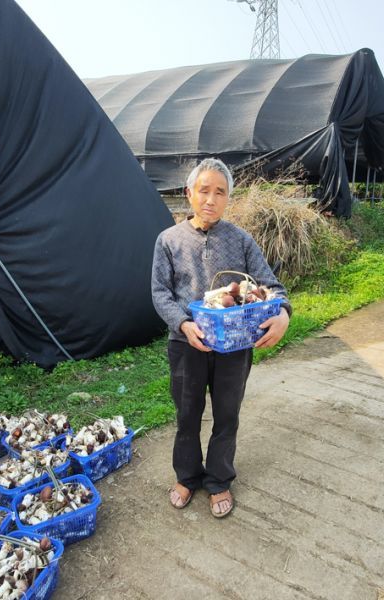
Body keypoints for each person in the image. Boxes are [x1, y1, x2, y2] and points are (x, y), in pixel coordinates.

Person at [151, 158, 291, 518]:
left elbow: (271, 285)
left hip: (235, 344)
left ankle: (218, 480)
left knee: (227, 415)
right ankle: (187, 475)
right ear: (189, 194)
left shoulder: (240, 240)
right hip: (187, 345)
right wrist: (183, 324)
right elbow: (160, 293)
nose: (211, 199)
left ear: (228, 198)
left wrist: (283, 315)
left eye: (220, 192)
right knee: (187, 415)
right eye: (204, 191)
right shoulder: (168, 241)